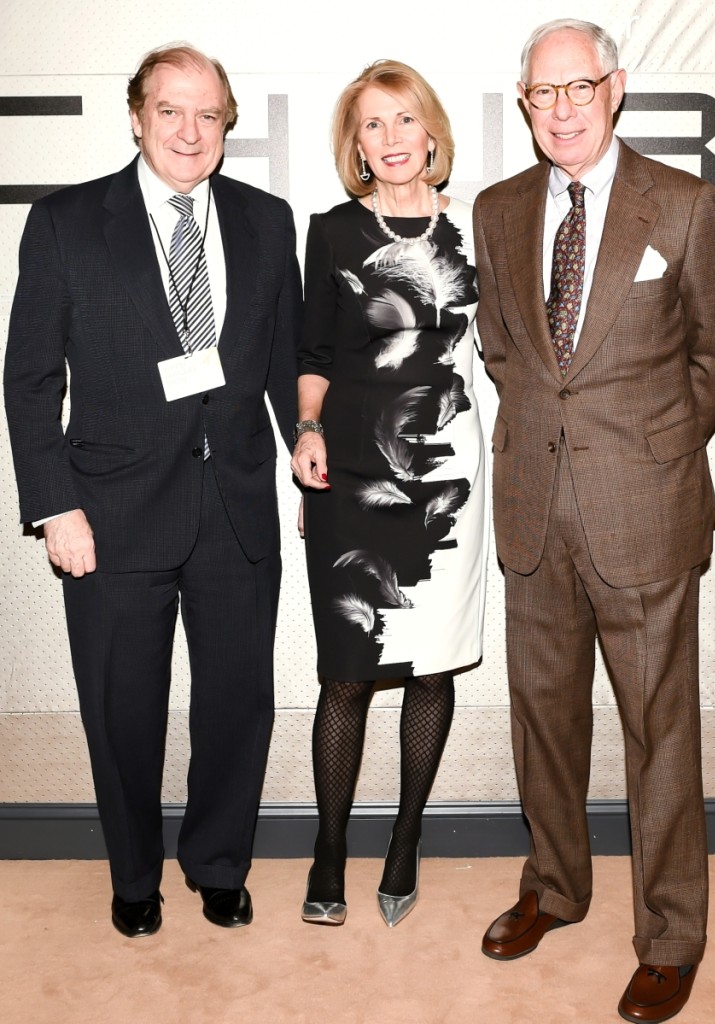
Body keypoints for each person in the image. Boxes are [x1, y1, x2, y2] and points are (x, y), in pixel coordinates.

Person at [474, 18, 715, 1023]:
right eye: (542, 94)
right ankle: (555, 884)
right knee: (543, 716)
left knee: (659, 730)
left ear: (616, 87)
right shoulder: (498, 210)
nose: (561, 110)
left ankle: (671, 934)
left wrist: (657, 453)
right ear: (525, 102)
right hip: (533, 513)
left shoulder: (683, 205)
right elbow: (507, 352)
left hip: (646, 511)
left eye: (578, 88)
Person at [4, 44, 301, 938]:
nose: (189, 130)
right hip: (109, 516)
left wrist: (310, 445)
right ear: (135, 116)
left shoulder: (266, 220)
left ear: (226, 127)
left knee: (236, 705)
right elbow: (28, 379)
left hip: (236, 510)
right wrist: (55, 505)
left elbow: (288, 362)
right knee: (122, 712)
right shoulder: (64, 223)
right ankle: (133, 876)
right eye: (170, 110)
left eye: (208, 114)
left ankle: (218, 865)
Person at [291, 59, 487, 929]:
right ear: (356, 146)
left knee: (433, 665)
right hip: (352, 476)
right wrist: (306, 431)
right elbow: (313, 351)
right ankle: (330, 845)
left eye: (404, 120)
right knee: (346, 674)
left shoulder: (481, 225)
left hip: (448, 474)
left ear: (432, 132)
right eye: (372, 125)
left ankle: (406, 837)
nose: (392, 138)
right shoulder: (331, 231)